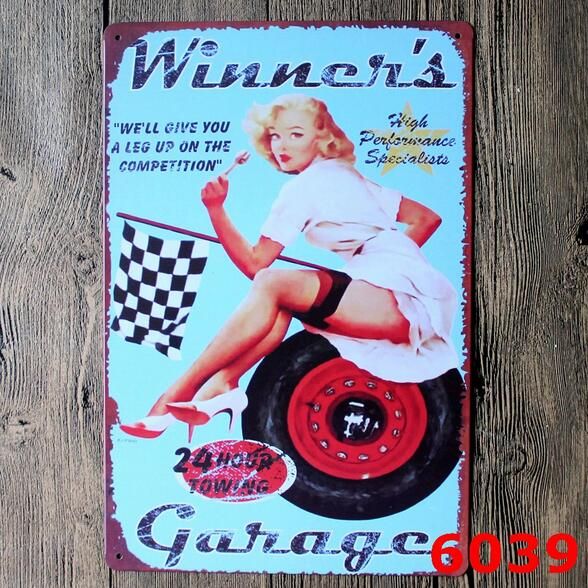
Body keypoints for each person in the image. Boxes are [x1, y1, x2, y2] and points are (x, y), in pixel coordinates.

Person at [120, 94, 459, 441]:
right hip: (412, 302)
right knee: (280, 302)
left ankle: (175, 395)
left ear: (321, 137)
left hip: (396, 303)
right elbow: (427, 219)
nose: (281, 146)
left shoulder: (304, 187)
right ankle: (224, 384)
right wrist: (372, 269)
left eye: (296, 134)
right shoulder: (348, 176)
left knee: (271, 283)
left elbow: (255, 264)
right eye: (274, 136)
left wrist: (216, 209)